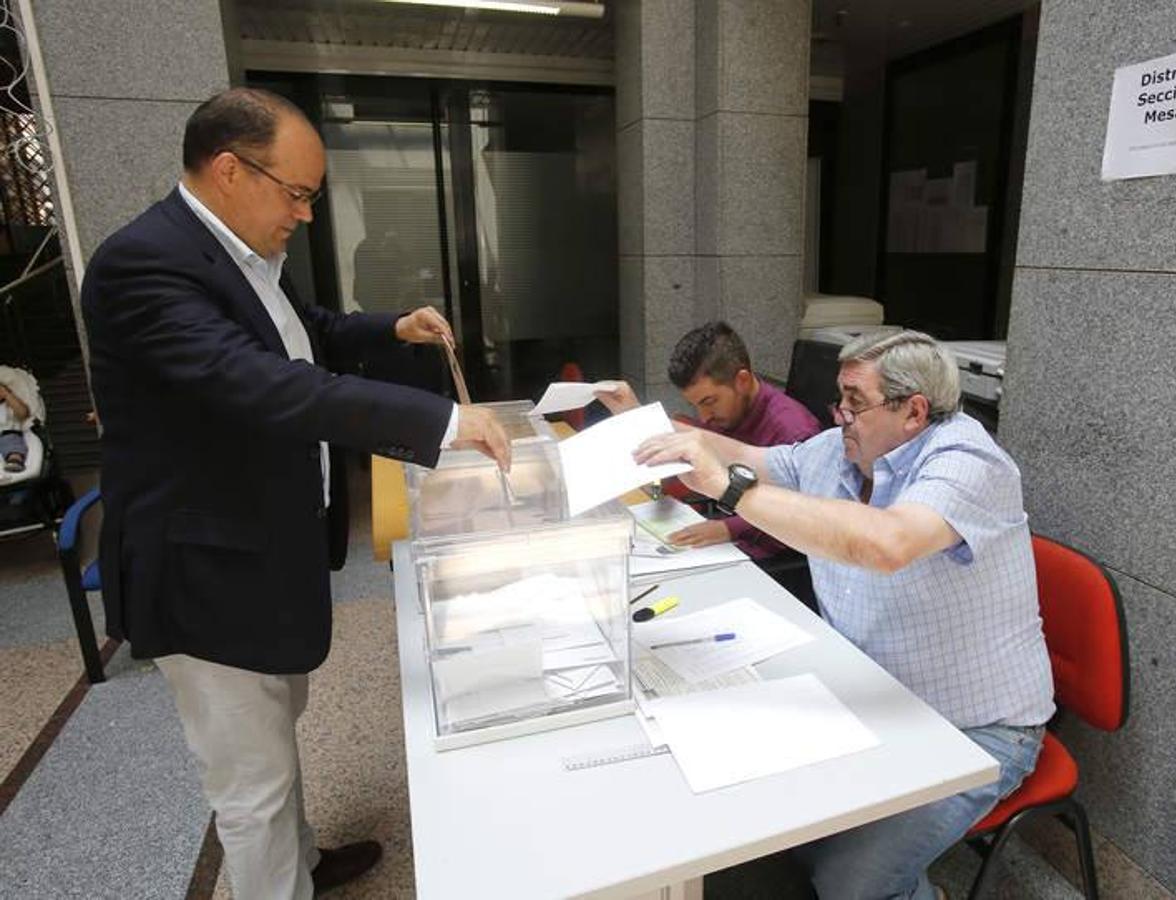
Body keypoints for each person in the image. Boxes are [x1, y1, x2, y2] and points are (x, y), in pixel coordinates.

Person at [81, 88, 510, 900]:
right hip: (201, 564)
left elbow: (301, 331)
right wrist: (442, 421)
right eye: (300, 194)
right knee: (250, 786)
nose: (307, 215)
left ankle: (302, 865)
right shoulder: (144, 264)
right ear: (229, 169)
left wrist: (389, 329)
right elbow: (265, 384)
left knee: (274, 738)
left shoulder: (238, 252)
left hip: (261, 543)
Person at [634, 330, 1054, 900]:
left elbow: (887, 544)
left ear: (913, 411)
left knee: (849, 884)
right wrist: (659, 437)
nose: (840, 416)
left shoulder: (968, 460)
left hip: (975, 727)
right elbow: (762, 460)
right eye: (840, 399)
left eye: (855, 401)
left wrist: (729, 492)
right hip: (875, 697)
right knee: (765, 814)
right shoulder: (840, 449)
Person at [595, 321, 821, 559]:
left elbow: (808, 517)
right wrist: (637, 418)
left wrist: (727, 529)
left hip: (772, 556)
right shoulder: (728, 415)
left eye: (709, 402)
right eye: (695, 406)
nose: (704, 417)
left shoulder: (796, 432)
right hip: (719, 528)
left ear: (742, 381)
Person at [0, 365, 40, 473]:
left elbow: (23, 414)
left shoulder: (8, 405)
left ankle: (15, 460)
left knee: (12, 443)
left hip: (6, 433)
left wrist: (7, 395)